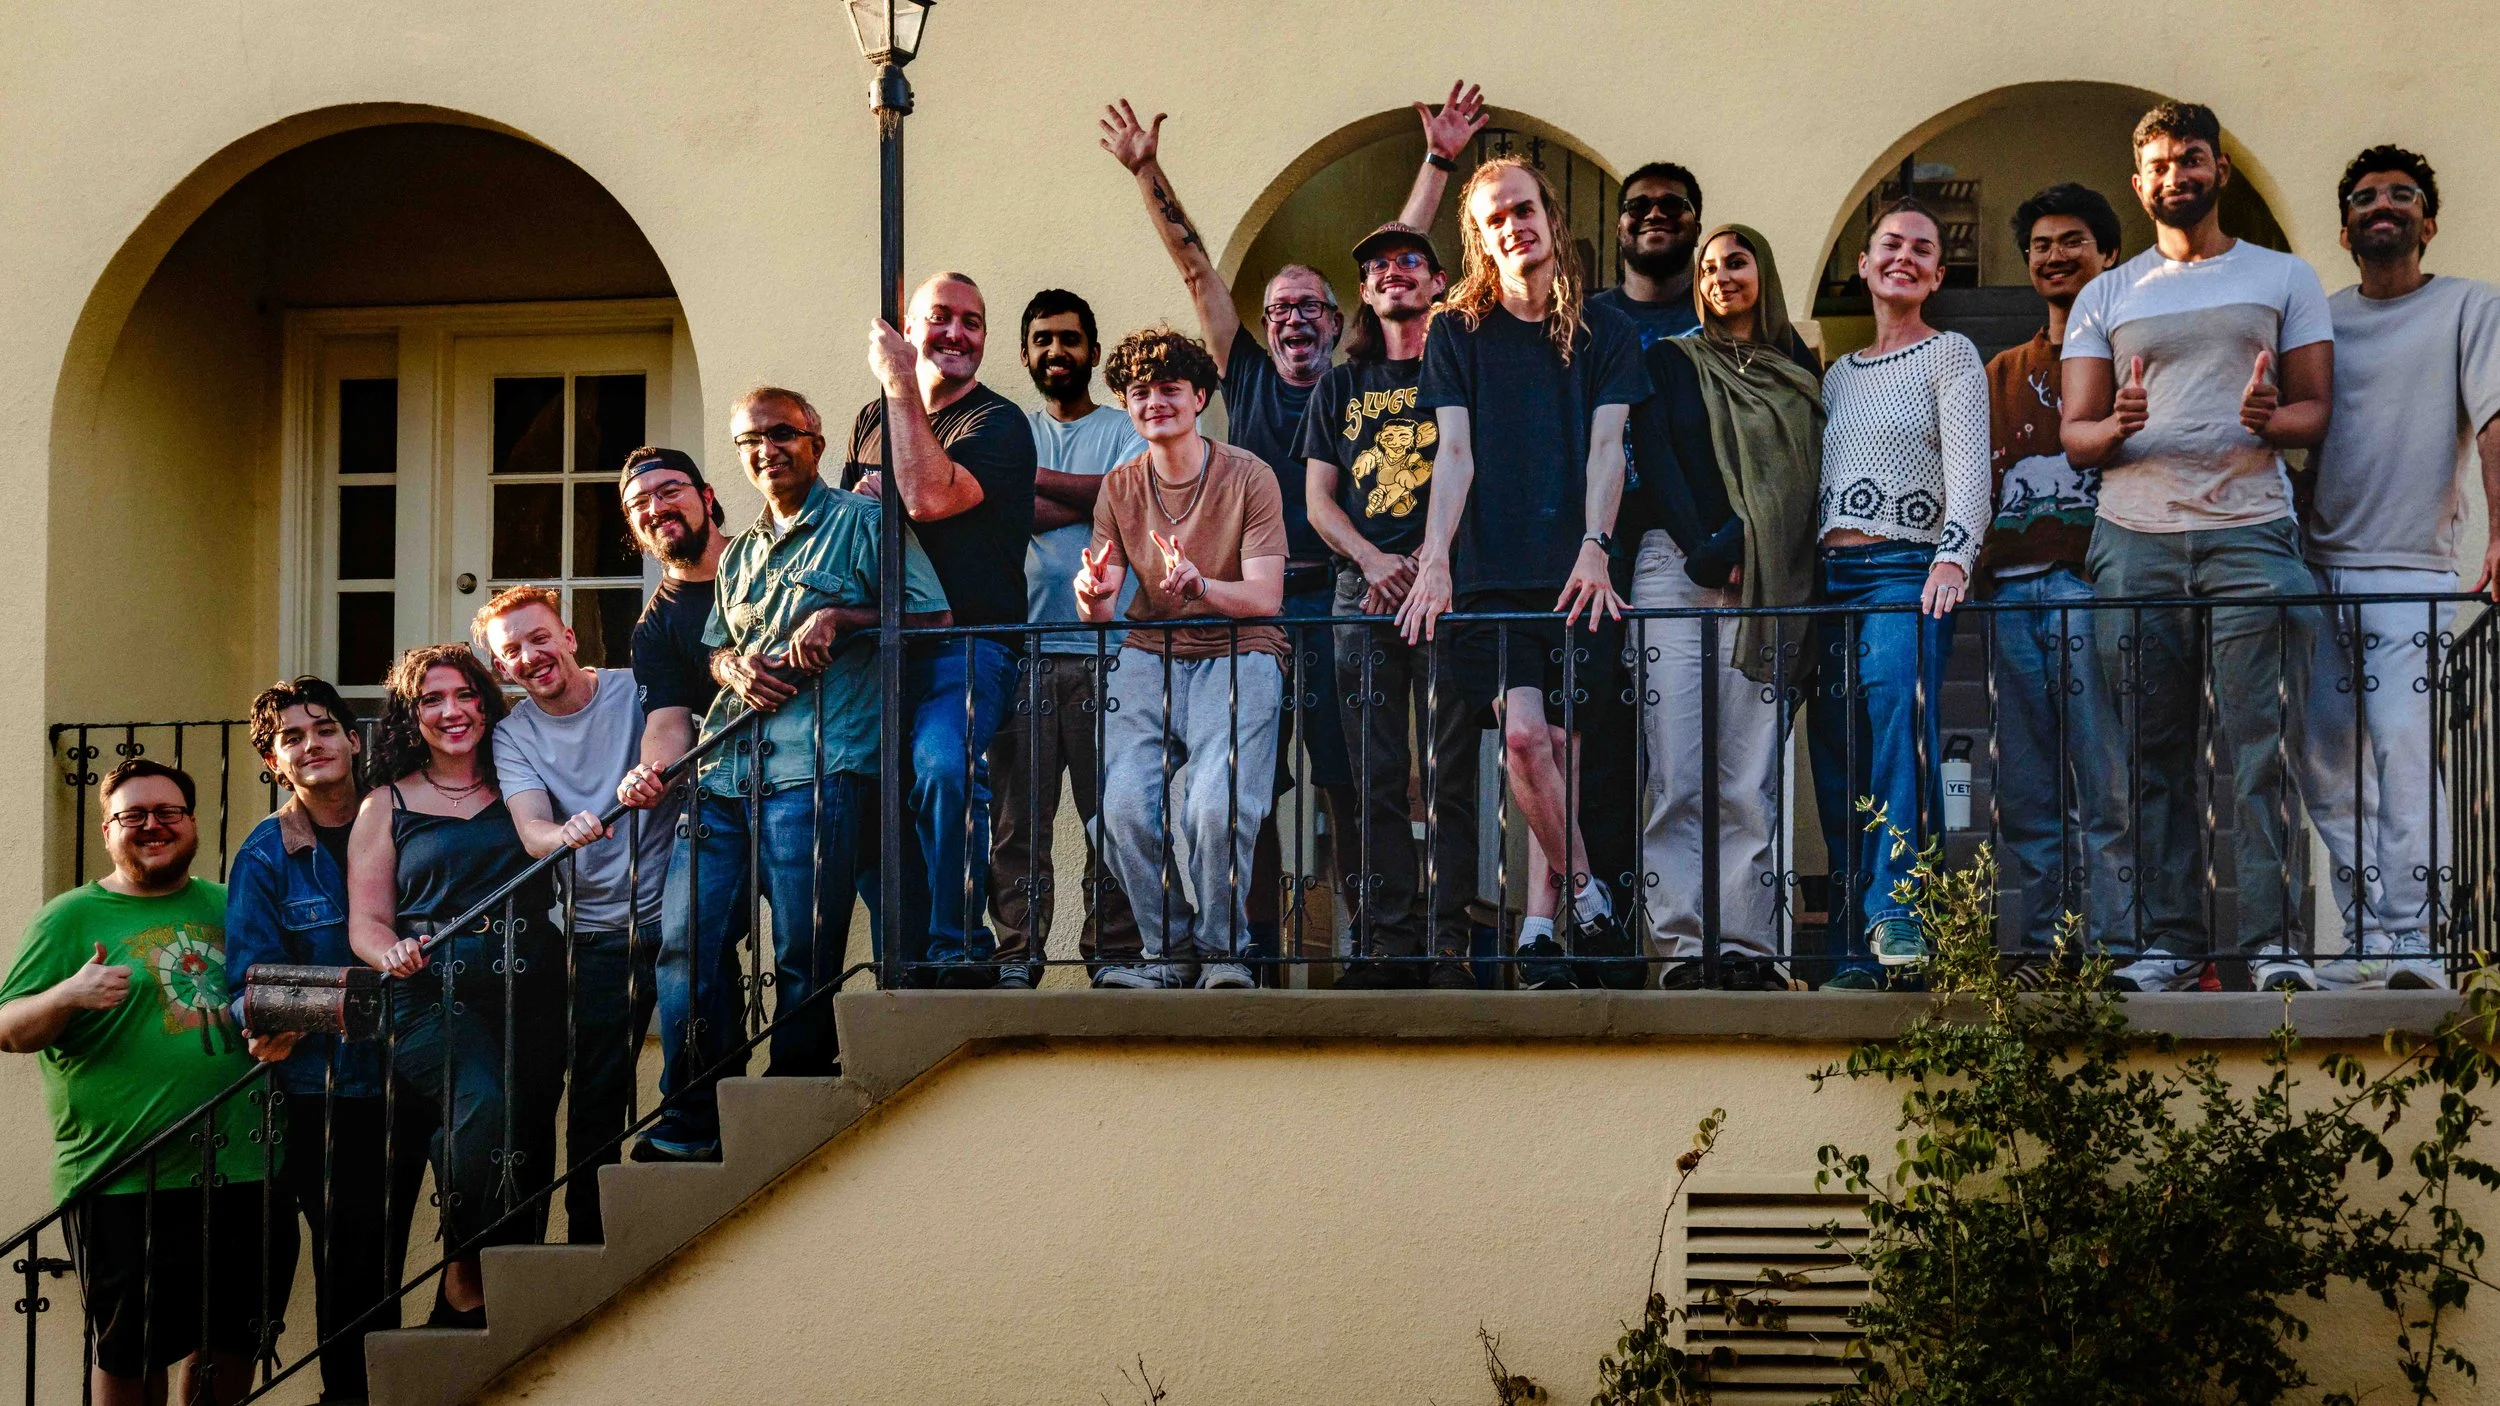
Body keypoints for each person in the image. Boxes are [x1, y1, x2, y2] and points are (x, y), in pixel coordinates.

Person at [1098, 88, 1486, 961]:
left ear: (1336, 318)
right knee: (1251, 786)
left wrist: (1437, 162)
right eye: (1278, 309)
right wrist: (1147, 172)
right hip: (1260, 614)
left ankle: (1367, 940)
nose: (1293, 318)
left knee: (1358, 778)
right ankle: (1263, 947)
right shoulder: (1247, 376)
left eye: (1311, 306)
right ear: (1264, 327)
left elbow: (1399, 255)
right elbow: (1199, 271)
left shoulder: (1356, 386)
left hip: (1351, 597)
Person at [630, 387, 947, 1162]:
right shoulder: (736, 553)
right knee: (686, 946)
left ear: (813, 440)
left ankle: (795, 1089)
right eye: (749, 441)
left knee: (807, 949)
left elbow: (933, 618)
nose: (765, 449)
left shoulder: (867, 523)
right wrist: (727, 662)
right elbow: (713, 644)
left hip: (822, 770)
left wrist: (841, 619)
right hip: (725, 775)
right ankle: (694, 1116)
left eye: (782, 434)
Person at [2061, 101, 2334, 993]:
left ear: (2218, 170)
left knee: (2263, 749)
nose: (2178, 174)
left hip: (2251, 534)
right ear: (2138, 185)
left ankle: (2270, 945)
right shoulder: (2108, 293)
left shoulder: (2284, 276)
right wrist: (2119, 425)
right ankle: (2168, 944)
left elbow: (2315, 411)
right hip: (2135, 541)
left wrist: (2271, 418)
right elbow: (2077, 435)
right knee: (2151, 755)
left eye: (2193, 159)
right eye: (2161, 164)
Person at [1396, 156, 1652, 990]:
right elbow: (1455, 456)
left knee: (1564, 758)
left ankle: (1541, 930)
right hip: (1493, 579)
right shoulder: (1456, 330)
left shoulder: (1606, 329)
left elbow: (1609, 445)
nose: (1516, 224)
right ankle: (1589, 891)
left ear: (1549, 215)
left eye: (1525, 208)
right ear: (1479, 235)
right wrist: (1435, 560)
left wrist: (1595, 545)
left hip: (1578, 574)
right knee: (1522, 740)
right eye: (1497, 215)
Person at [2, 759, 289, 1406]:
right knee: (131, 1353)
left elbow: (275, 993)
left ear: (191, 824)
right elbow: (8, 1028)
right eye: (134, 816)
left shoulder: (231, 904)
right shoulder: (69, 920)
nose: (153, 826)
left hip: (247, 1170)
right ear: (108, 830)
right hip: (123, 1179)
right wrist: (68, 995)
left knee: (232, 1346)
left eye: (169, 813)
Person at [2299, 145, 2500, 991]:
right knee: (2324, 767)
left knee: (2405, 753)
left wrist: (2499, 539)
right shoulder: (2319, 319)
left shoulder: (2469, 307)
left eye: (2403, 194)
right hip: (2312, 569)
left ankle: (2415, 940)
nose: (2384, 205)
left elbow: (2493, 421)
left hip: (2409, 572)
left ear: (2429, 221)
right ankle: (2368, 940)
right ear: (2345, 228)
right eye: (2366, 197)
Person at [1625, 224, 1824, 990]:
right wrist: (1708, 546)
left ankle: (1749, 948)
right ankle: (1682, 949)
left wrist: (1749, 541)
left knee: (1748, 776)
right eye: (1707, 266)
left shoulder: (1798, 372)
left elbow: (1804, 478)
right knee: (1678, 774)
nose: (1719, 276)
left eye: (1735, 262)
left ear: (1763, 273)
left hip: (1765, 580)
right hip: (1676, 574)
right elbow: (1659, 459)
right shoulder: (1671, 361)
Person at [347, 644, 560, 1328]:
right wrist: (393, 952)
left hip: (531, 980)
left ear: (486, 702)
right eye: (431, 700)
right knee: (481, 1103)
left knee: (527, 1126)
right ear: (412, 718)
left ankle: (516, 1276)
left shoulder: (522, 779)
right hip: (427, 990)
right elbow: (368, 921)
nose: (451, 711)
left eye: (464, 695)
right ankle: (464, 1275)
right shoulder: (385, 803)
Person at [227, 678, 426, 1402]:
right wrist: (274, 1022)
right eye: (290, 738)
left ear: (352, 737)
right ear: (275, 762)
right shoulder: (266, 856)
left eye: (322, 729)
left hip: (428, 1068)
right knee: (353, 1266)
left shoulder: (410, 814)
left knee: (429, 1236)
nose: (310, 745)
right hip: (331, 1091)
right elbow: (245, 986)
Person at [1808, 198, 1989, 986]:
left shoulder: (1950, 354)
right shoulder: (1838, 375)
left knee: (1896, 734)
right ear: (1864, 262)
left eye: (1921, 249)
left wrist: (1953, 559)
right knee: (1837, 753)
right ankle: (1856, 946)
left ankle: (1900, 915)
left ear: (1937, 274)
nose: (1903, 257)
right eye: (1890, 245)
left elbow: (1971, 476)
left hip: (1902, 574)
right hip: (1826, 582)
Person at [1076, 327, 1288, 989]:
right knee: (1121, 811)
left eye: (1169, 389)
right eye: (1140, 392)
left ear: (1199, 396)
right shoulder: (1118, 487)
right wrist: (1091, 600)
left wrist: (1201, 585)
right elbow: (1104, 606)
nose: (1154, 402)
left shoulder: (1249, 475)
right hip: (1149, 651)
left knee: (1215, 806)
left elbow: (1266, 597)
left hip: (1240, 650)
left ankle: (1225, 953)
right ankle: (1167, 953)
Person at [1299, 220, 1478, 989]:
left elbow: (1475, 472)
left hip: (1447, 588)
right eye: (1377, 268)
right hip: (1361, 592)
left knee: (1451, 771)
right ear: (1366, 296)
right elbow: (1316, 501)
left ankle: (1449, 944)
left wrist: (1426, 563)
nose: (1393, 272)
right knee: (1374, 772)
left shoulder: (1461, 373)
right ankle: (1383, 944)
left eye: (1410, 260)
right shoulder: (1339, 386)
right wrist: (1372, 559)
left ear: (1438, 282)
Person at [844, 273, 1036, 984]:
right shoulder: (872, 418)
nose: (958, 334)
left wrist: (899, 382)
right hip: (881, 646)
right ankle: (909, 958)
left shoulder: (998, 422)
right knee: (867, 801)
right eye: (941, 318)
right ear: (906, 324)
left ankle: (960, 949)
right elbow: (854, 537)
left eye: (974, 322)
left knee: (943, 769)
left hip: (969, 644)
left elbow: (926, 497)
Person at [476, 586, 671, 1243]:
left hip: (678, 907)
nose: (529, 657)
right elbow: (532, 830)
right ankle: (589, 1233)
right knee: (597, 1090)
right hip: (596, 932)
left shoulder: (636, 687)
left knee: (703, 1053)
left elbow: (676, 743)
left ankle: (681, 1188)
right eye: (512, 652)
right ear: (502, 670)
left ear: (569, 637)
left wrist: (650, 772)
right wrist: (565, 833)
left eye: (538, 638)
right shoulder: (514, 735)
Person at [1982, 184, 2126, 957]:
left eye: (2074, 241)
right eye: (2040, 245)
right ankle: (2041, 946)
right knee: (2028, 789)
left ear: (2109, 256)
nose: (2055, 255)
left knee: (2105, 777)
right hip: (2008, 593)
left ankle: (2113, 949)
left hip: (2093, 588)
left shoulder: (2131, 356)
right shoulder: (2001, 370)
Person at [989, 289, 1149, 988]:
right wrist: (1089, 496)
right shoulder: (1006, 429)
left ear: (1091, 349)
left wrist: (1024, 492)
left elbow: (1133, 497)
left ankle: (1111, 957)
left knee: (1111, 821)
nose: (1057, 351)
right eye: (1043, 340)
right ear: (1025, 353)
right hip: (1019, 657)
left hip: (1113, 658)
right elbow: (992, 514)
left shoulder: (1125, 428)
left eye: (1070, 339)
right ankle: (1017, 956)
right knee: (1017, 828)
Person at [618, 446, 727, 779]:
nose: (656, 508)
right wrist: (647, 775)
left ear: (707, 497)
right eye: (639, 503)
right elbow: (667, 724)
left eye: (670, 492)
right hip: (730, 784)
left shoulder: (767, 561)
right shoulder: (652, 630)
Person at [1591, 162, 1707, 347]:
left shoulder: (1727, 315)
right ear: (1620, 232)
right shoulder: (1586, 321)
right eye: (1638, 206)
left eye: (1671, 204)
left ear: (1697, 230)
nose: (1654, 215)